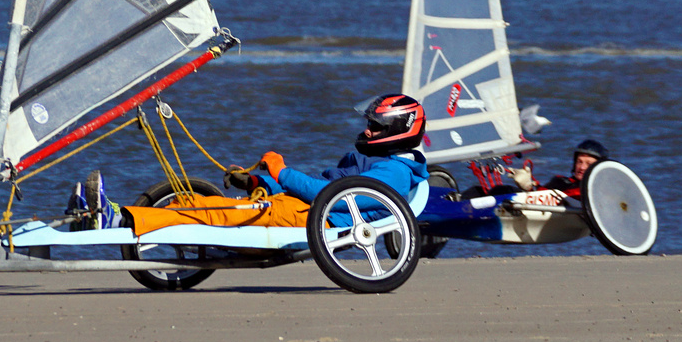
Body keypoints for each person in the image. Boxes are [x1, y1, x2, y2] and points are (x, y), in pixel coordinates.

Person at [65, 94, 431, 233]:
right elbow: (327, 186)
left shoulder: (394, 175)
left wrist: (280, 171)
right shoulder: (381, 164)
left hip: (310, 217)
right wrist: (263, 183)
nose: (366, 132)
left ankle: (115, 219)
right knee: (200, 205)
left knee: (212, 214)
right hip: (295, 207)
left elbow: (327, 195)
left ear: (397, 130)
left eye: (374, 126)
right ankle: (108, 214)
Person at [532, 138, 608, 205]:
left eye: (589, 164)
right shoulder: (560, 182)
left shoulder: (602, 192)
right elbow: (538, 195)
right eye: (579, 162)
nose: (582, 167)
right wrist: (529, 187)